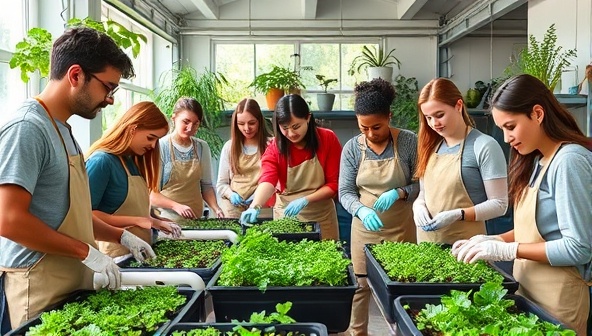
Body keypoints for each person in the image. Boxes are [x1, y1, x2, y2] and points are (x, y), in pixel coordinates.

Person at [0, 27, 154, 333]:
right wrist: (86, 252)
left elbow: (71, 214)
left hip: (68, 285)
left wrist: (120, 235)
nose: (110, 100)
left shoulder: (64, 131)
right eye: (108, 87)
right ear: (75, 75)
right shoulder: (28, 128)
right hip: (37, 288)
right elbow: (8, 219)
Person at [453, 74, 592, 335]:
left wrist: (509, 251)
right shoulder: (537, 160)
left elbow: (578, 248)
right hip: (529, 291)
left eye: (511, 126)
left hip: (559, 302)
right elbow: (537, 231)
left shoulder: (569, 161)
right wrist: (493, 240)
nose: (506, 139)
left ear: (537, 114)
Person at [339, 78, 418, 335]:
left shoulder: (407, 142)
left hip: (401, 227)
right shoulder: (352, 148)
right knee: (361, 286)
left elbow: (421, 185)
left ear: (389, 117)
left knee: (401, 285)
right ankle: (357, 332)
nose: (371, 133)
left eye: (377, 126)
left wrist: (400, 192)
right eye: (364, 128)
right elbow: (345, 192)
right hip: (364, 229)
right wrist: (361, 209)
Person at [412, 77, 508, 245]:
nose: (434, 123)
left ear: (458, 106)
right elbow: (424, 193)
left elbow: (500, 204)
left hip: (466, 249)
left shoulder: (484, 146)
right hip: (427, 245)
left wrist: (458, 214)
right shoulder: (429, 146)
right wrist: (418, 205)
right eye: (428, 118)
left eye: (439, 115)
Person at [86, 101, 182, 260]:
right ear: (132, 129)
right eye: (150, 138)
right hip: (115, 258)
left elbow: (134, 209)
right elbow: (85, 216)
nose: (153, 146)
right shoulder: (102, 162)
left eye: (156, 140)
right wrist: (141, 221)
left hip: (138, 256)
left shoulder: (132, 161)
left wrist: (157, 221)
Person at [239, 94, 342, 240]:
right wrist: (255, 206)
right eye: (285, 128)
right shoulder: (274, 148)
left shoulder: (327, 139)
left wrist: (305, 199)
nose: (291, 133)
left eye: (296, 126)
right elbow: (268, 180)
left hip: (321, 216)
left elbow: (334, 184)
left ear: (308, 118)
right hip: (287, 215)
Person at [150, 97, 225, 221]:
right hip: (168, 223)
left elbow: (206, 186)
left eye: (195, 123)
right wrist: (176, 206)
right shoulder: (160, 146)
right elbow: (152, 195)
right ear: (174, 118)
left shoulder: (202, 147)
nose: (190, 128)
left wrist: (216, 208)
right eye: (186, 121)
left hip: (196, 220)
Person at [217, 98, 273, 218]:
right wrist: (231, 195)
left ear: (260, 121)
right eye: (241, 124)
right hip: (233, 208)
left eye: (252, 123)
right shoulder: (229, 147)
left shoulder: (271, 145)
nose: (247, 128)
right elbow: (221, 184)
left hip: (262, 206)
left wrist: (256, 200)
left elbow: (275, 181)